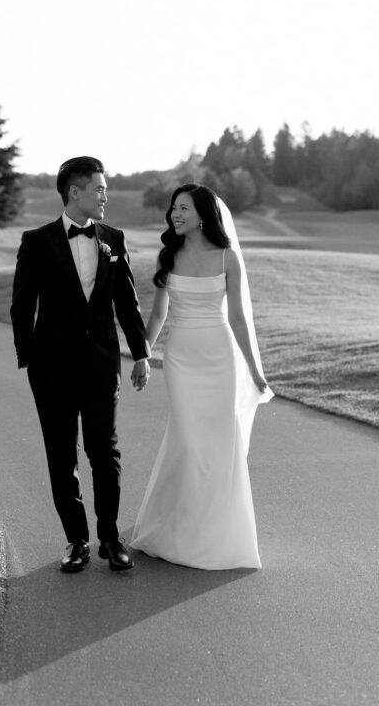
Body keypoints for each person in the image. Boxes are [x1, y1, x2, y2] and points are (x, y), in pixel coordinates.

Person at [10, 156, 151, 573]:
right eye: (99, 189)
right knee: (61, 454)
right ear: (75, 191)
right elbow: (22, 305)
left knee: (103, 451)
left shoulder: (114, 238)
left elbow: (127, 301)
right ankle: (76, 540)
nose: (105, 195)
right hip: (50, 368)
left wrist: (141, 353)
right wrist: (29, 359)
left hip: (101, 365)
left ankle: (110, 537)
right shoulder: (36, 241)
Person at [130, 183, 273, 569]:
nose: (175, 214)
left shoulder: (228, 258)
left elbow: (239, 319)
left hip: (220, 356)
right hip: (180, 358)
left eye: (183, 208)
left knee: (219, 442)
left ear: (204, 215)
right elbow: (158, 315)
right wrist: (143, 354)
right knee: (189, 442)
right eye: (174, 208)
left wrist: (254, 371)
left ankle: (218, 532)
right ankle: (179, 526)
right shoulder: (169, 255)